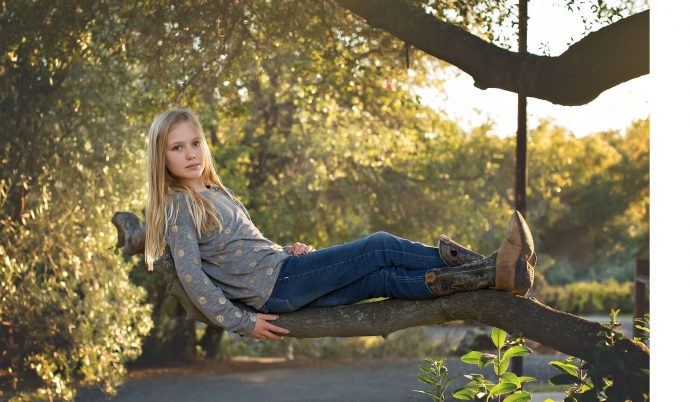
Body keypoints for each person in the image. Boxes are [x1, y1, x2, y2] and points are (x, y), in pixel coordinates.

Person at [145, 109, 537, 341]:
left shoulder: (215, 190)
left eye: (194, 143)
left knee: (382, 279)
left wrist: (284, 251)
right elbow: (192, 275)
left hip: (280, 276)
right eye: (177, 148)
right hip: (277, 285)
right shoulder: (179, 205)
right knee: (379, 246)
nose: (190, 153)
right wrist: (241, 322)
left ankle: (490, 277)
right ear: (161, 157)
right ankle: (491, 266)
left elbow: (239, 252)